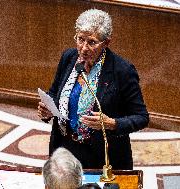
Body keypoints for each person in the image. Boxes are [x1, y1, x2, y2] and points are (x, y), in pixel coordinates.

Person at [38, 9, 149, 170]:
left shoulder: (122, 70)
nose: (83, 48)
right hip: (64, 149)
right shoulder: (69, 57)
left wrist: (112, 123)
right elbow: (55, 92)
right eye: (80, 39)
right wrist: (47, 110)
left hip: (102, 156)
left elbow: (142, 117)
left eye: (91, 42)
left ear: (106, 43)